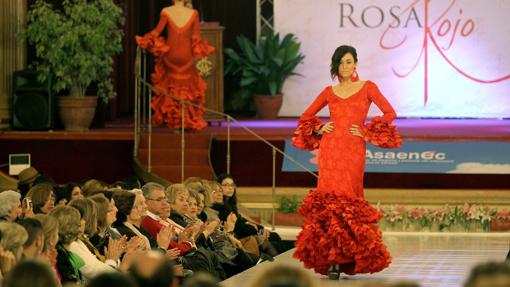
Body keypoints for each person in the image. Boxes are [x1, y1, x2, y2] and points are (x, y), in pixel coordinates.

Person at [291, 45, 402, 279]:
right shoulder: (329, 91)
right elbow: (306, 115)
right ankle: (331, 260)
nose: (345, 66)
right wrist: (321, 128)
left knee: (349, 198)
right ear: (336, 65)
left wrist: (366, 131)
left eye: (349, 61)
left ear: (356, 64)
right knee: (330, 200)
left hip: (353, 149)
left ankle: (349, 257)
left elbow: (390, 112)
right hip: (330, 149)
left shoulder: (367, 87)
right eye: (341, 62)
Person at [135, 0, 215, 130]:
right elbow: (196, 39)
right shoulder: (194, 13)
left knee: (172, 88)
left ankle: (174, 123)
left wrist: (145, 41)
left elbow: (156, 32)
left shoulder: (166, 11)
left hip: (170, 56)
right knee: (187, 90)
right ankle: (185, 122)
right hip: (187, 57)